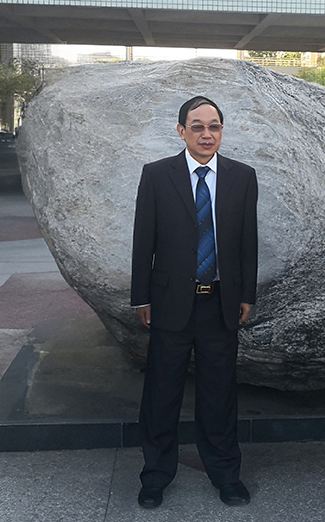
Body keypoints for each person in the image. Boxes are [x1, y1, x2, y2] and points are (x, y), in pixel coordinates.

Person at [130, 96, 258, 509]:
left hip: (220, 302)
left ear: (221, 131)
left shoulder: (242, 177)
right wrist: (141, 296)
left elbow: (248, 242)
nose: (206, 134)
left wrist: (246, 294)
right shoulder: (157, 175)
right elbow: (143, 240)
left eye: (214, 126)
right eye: (197, 126)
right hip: (170, 302)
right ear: (181, 131)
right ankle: (155, 476)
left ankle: (226, 475)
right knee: (161, 393)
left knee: (219, 395)